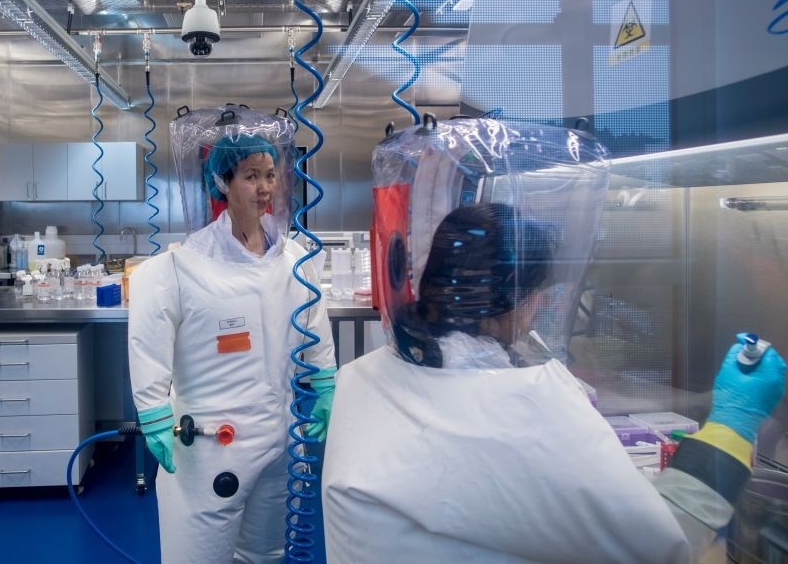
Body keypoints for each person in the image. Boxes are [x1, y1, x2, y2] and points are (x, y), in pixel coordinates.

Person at [322, 119, 787, 564]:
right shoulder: (520, 409)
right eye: (537, 297)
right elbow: (663, 541)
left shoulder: (365, 374)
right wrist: (733, 421)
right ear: (518, 301)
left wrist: (701, 400)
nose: (540, 311)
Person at [128, 106, 337, 563]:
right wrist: (153, 410)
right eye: (250, 176)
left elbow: (313, 320)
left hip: (279, 437)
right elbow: (148, 337)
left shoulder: (293, 259)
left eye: (270, 175)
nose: (265, 188)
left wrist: (324, 378)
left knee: (266, 553)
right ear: (222, 183)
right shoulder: (181, 266)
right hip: (209, 449)